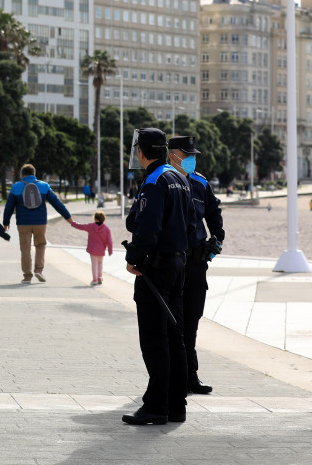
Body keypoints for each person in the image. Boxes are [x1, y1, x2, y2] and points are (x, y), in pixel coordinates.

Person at [122, 128, 194, 425]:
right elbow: (191, 225)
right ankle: (176, 404)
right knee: (174, 336)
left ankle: (156, 405)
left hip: (156, 267)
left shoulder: (154, 181)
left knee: (154, 338)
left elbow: (146, 227)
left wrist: (134, 258)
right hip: (178, 264)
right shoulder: (179, 178)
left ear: (142, 151)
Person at [168, 136, 225, 395]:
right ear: (173, 155)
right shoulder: (163, 180)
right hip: (172, 261)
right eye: (186, 154)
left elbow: (214, 213)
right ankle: (173, 377)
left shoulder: (201, 182)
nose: (191, 158)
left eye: (193, 154)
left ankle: (191, 377)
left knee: (192, 321)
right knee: (173, 322)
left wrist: (217, 239)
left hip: (196, 262)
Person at [2, 164, 72, 283]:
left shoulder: (16, 187)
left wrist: (6, 222)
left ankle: (27, 276)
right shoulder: (44, 186)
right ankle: (39, 270)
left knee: (25, 249)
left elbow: (9, 206)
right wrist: (68, 217)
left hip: (23, 223)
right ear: (34, 174)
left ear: (22, 174)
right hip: (40, 222)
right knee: (40, 245)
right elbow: (57, 203)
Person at [68, 210, 114, 286]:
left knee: (94, 264)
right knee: (100, 263)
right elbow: (109, 241)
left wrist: (72, 223)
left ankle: (95, 279)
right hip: (101, 249)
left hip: (92, 249)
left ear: (95, 219)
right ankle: (100, 276)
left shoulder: (90, 226)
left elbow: (81, 226)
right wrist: (110, 250)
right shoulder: (106, 229)